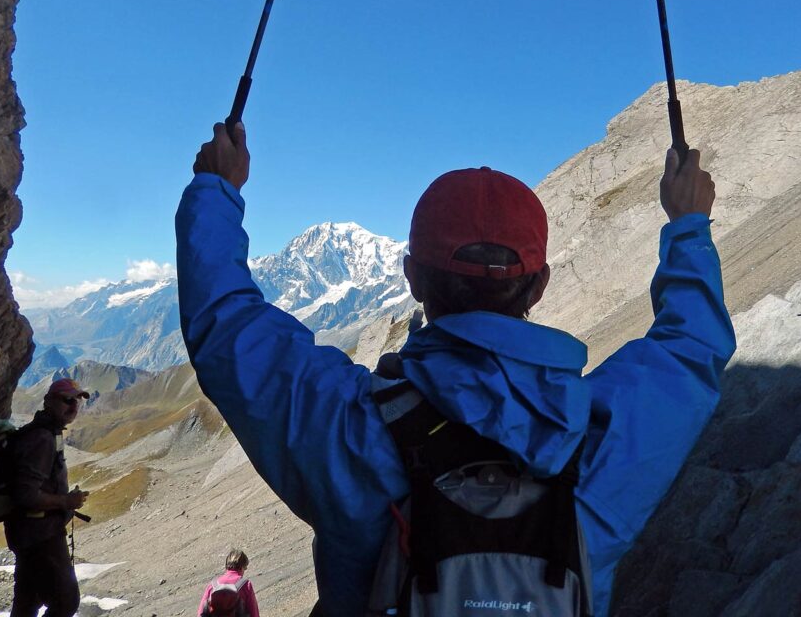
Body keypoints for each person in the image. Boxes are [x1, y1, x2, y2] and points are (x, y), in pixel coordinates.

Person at [176, 122, 735, 617]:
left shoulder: (346, 428)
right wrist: (687, 225)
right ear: (539, 287)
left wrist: (216, 188)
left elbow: (226, 327)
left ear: (412, 278)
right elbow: (692, 346)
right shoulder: (606, 435)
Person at [4, 377, 91, 617]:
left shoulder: (46, 433)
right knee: (66, 601)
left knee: (27, 601)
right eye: (67, 400)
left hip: (30, 533)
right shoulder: (42, 438)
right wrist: (66, 502)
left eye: (77, 401)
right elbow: (25, 494)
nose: (73, 407)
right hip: (40, 536)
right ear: (49, 402)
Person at [196, 548, 261, 617]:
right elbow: (254, 613)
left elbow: (201, 612)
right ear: (242, 567)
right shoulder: (246, 584)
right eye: (245, 568)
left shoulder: (213, 585)